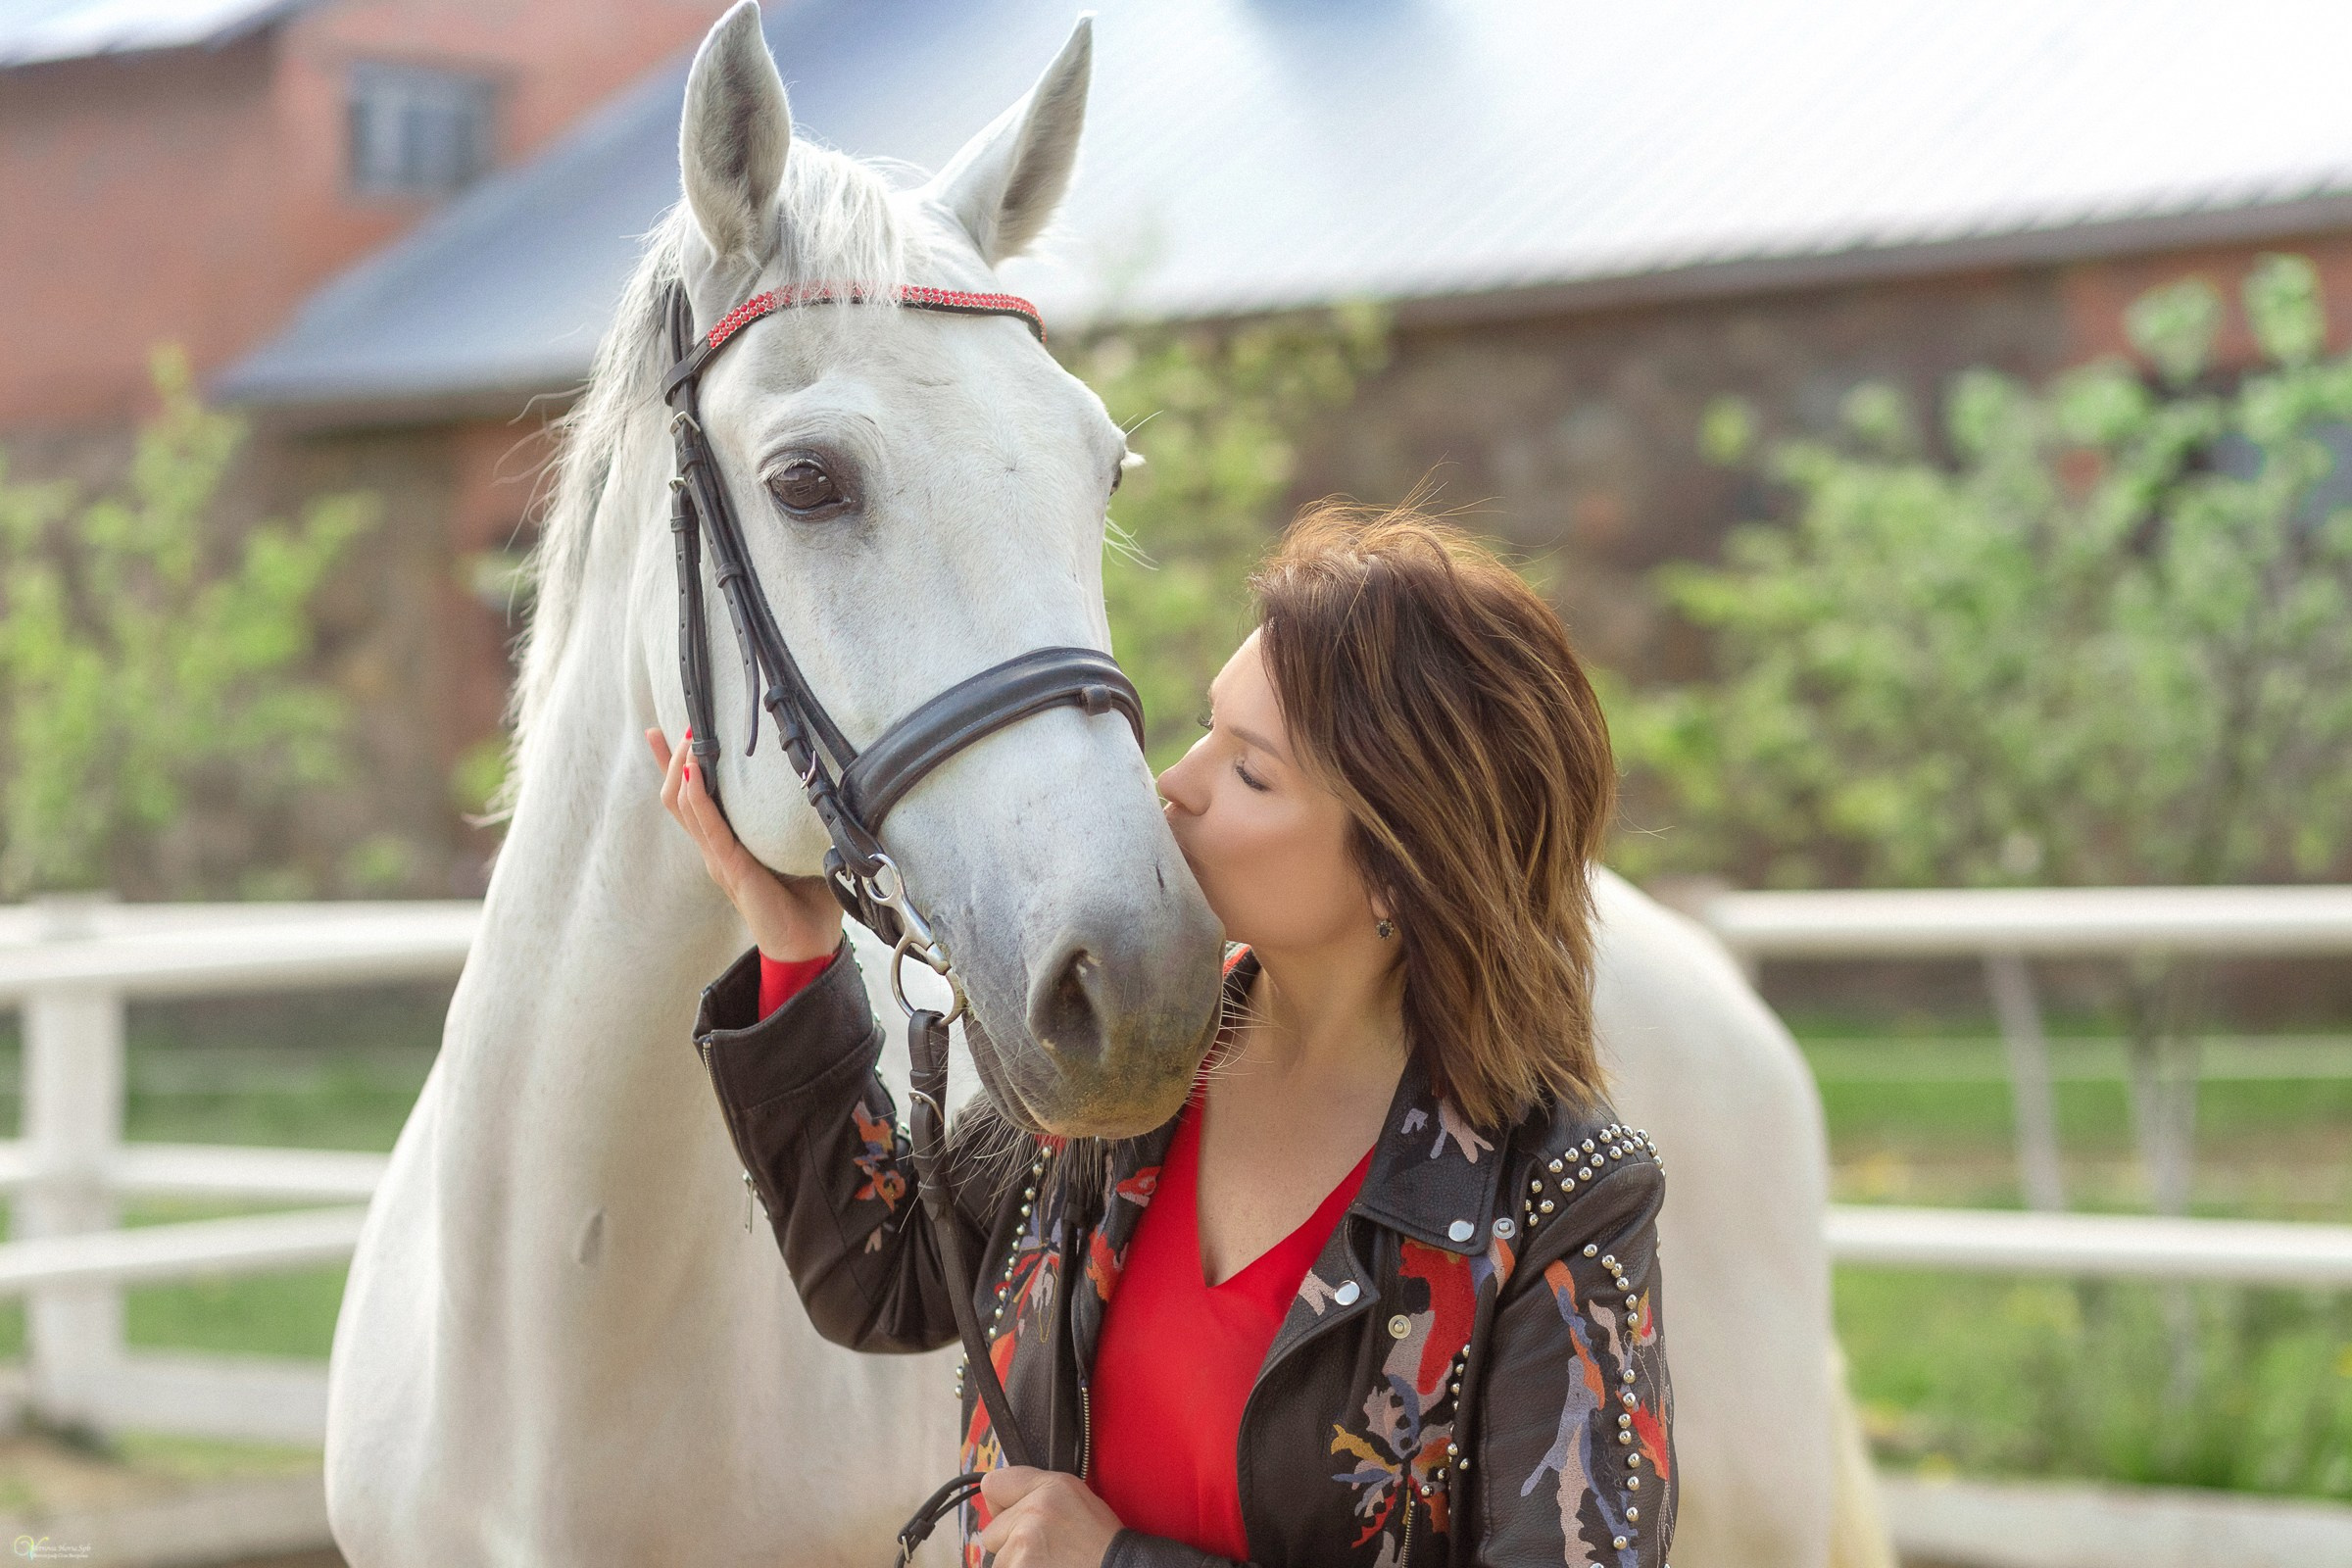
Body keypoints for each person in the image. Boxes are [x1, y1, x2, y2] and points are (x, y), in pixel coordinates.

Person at [649, 503, 1675, 1568]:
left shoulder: (1565, 1193)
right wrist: (798, 950)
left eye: (1251, 770)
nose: (1172, 784)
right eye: (1208, 725)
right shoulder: (1137, 1050)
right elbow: (890, 1275)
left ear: (1400, 868)